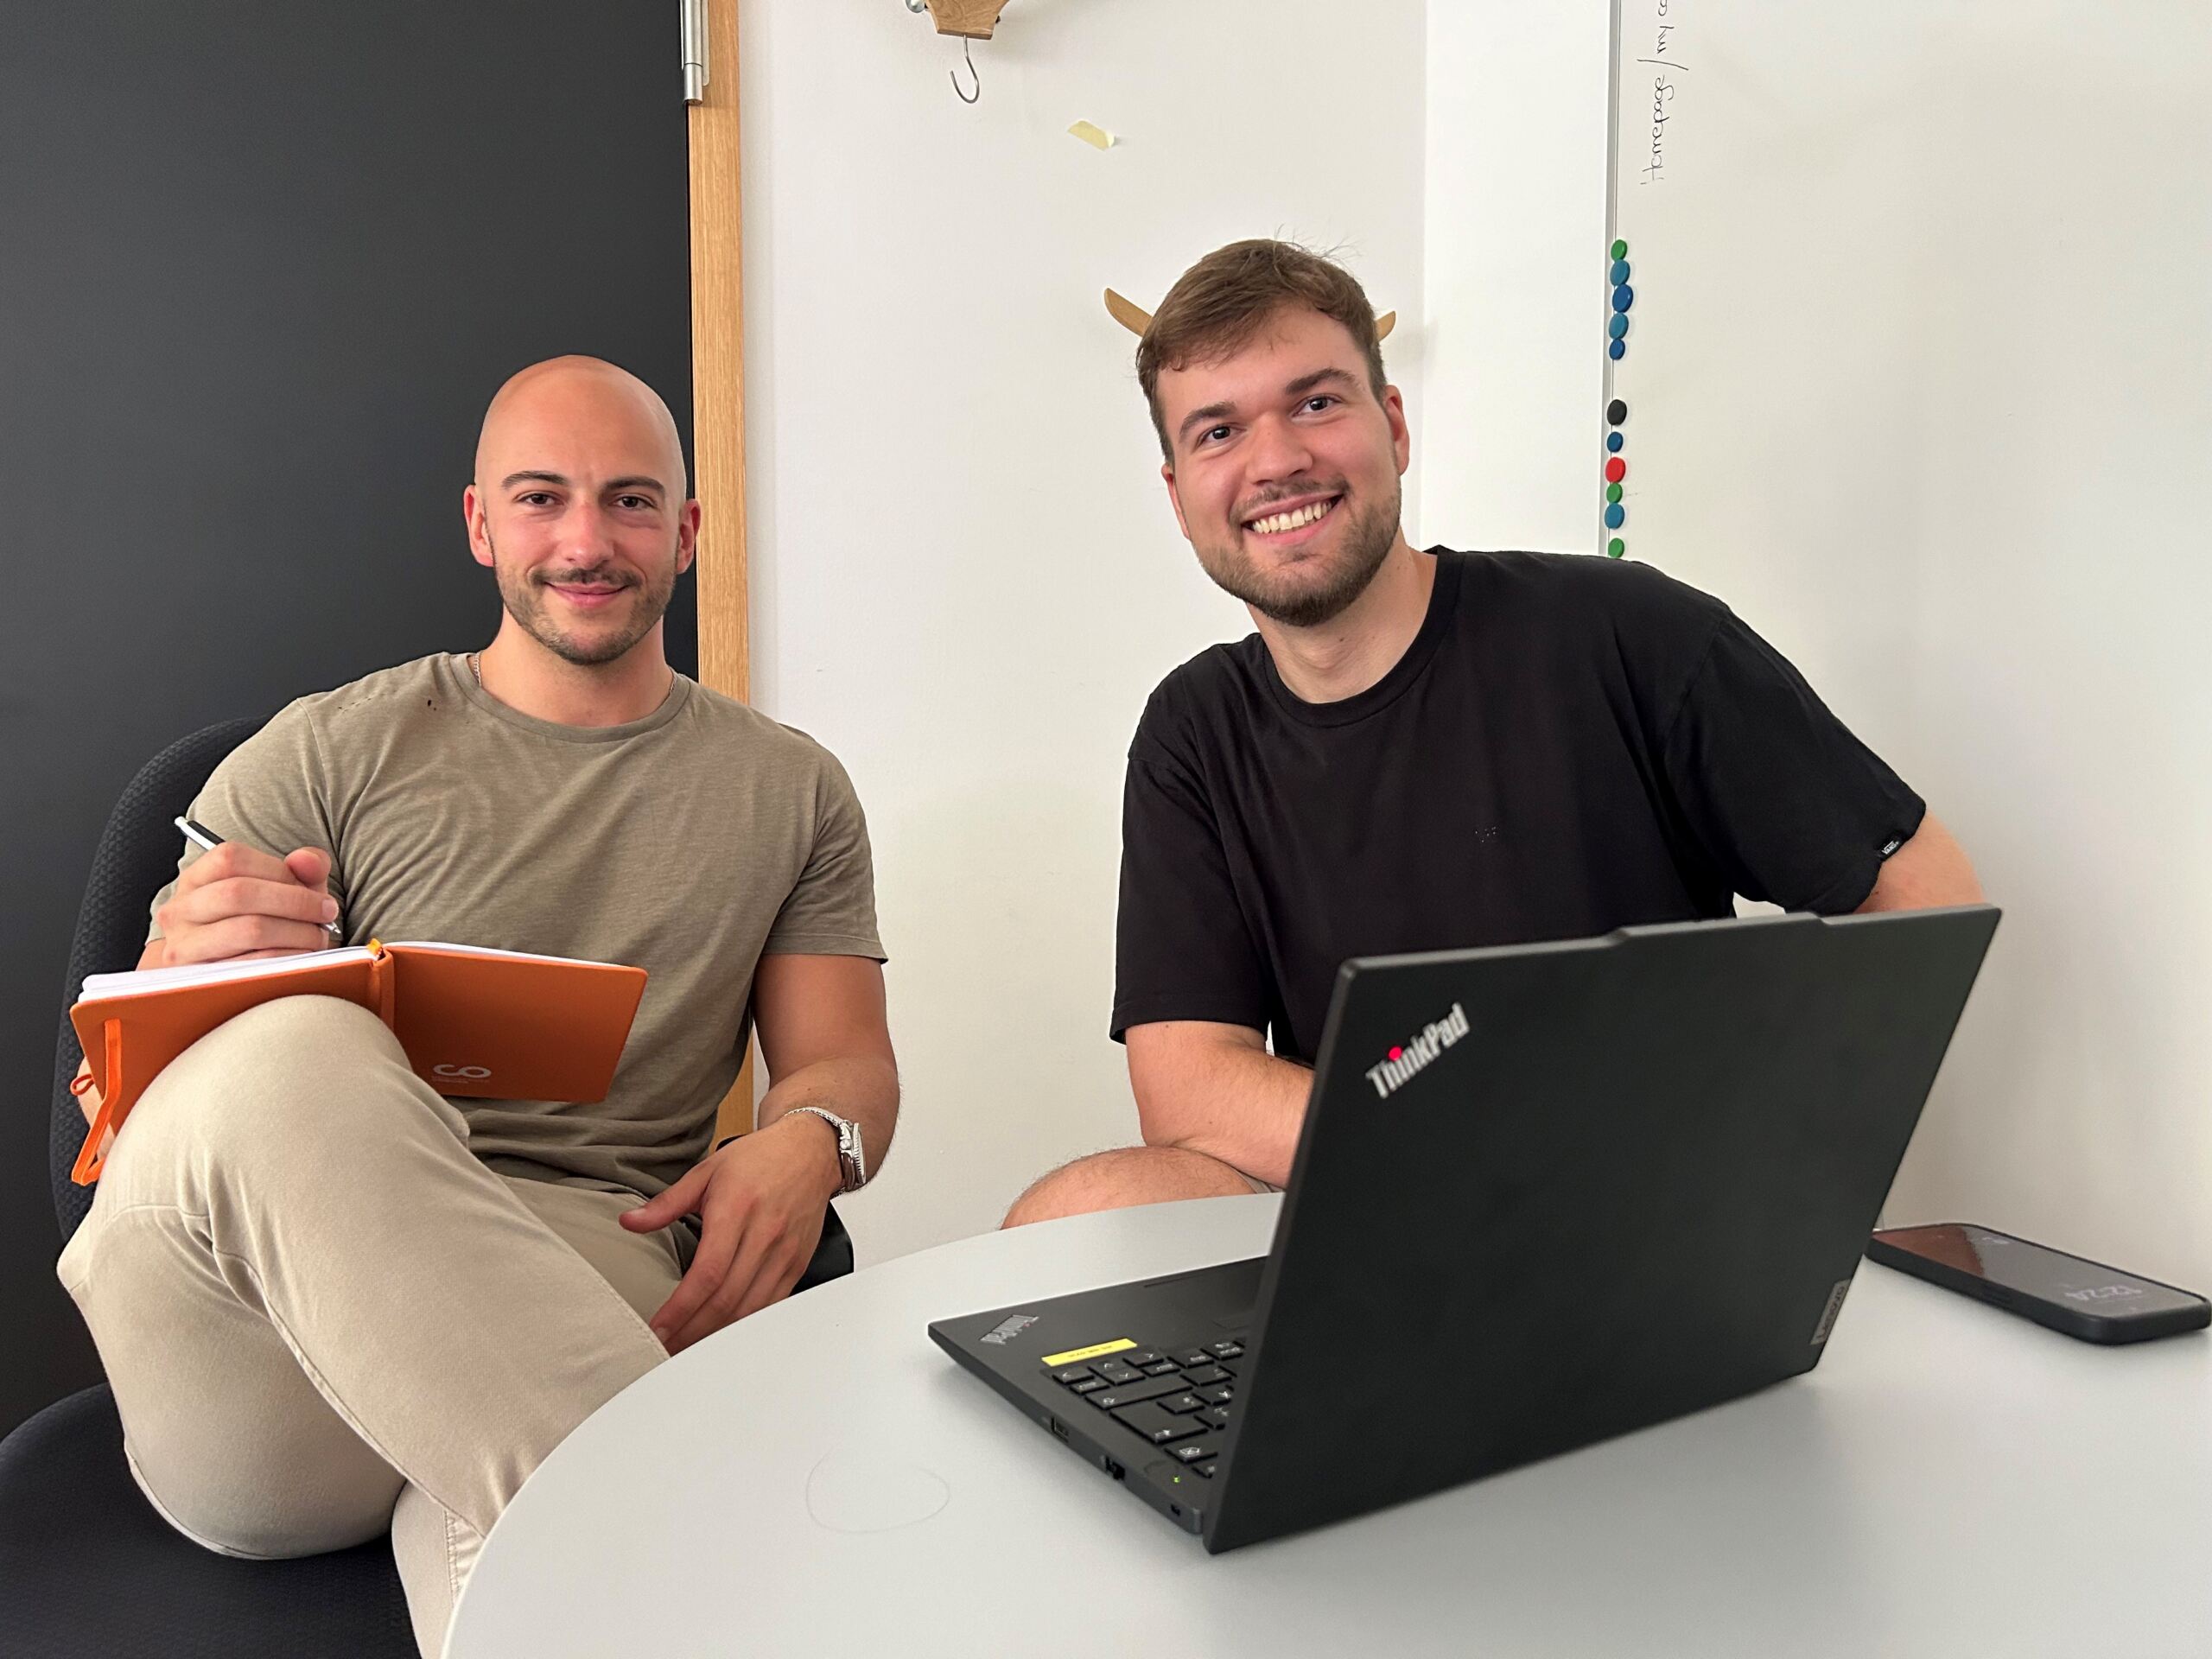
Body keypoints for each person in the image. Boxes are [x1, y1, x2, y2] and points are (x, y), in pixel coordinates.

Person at [61, 356, 898, 1656]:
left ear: (684, 532)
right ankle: (744, 1568)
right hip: (261, 1364)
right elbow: (128, 1113)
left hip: (582, 1278)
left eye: (629, 502)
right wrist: (167, 978)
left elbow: (844, 1066)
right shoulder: (324, 749)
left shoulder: (791, 791)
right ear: (479, 525)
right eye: (540, 498)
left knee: (515, 1517)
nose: (584, 540)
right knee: (293, 1044)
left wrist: (813, 1142)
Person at [1004, 240, 1982, 1225]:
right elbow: (1190, 1092)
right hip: (1388, 1194)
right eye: (1217, 432)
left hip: (1651, 1214)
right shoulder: (1193, 730)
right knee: (1076, 1208)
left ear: (1392, 426)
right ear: (1177, 497)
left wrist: (1753, 1147)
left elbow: (1922, 896)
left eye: (1315, 403)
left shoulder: (1626, 633)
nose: (1276, 461)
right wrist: (1495, 1153)